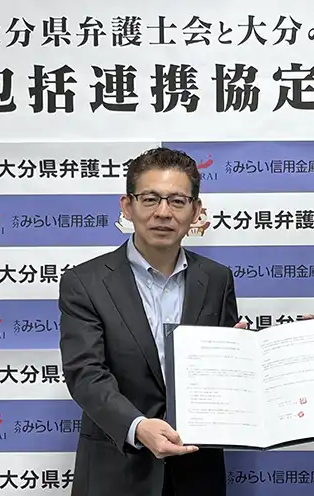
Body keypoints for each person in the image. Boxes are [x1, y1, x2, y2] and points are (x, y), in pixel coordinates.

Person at [59, 147, 242, 496]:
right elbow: (85, 374)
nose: (163, 212)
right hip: (116, 470)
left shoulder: (217, 279)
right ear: (127, 207)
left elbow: (219, 377)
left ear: (196, 211)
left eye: (177, 201)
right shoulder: (85, 282)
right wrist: (138, 426)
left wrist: (237, 358)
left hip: (197, 471)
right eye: (150, 199)